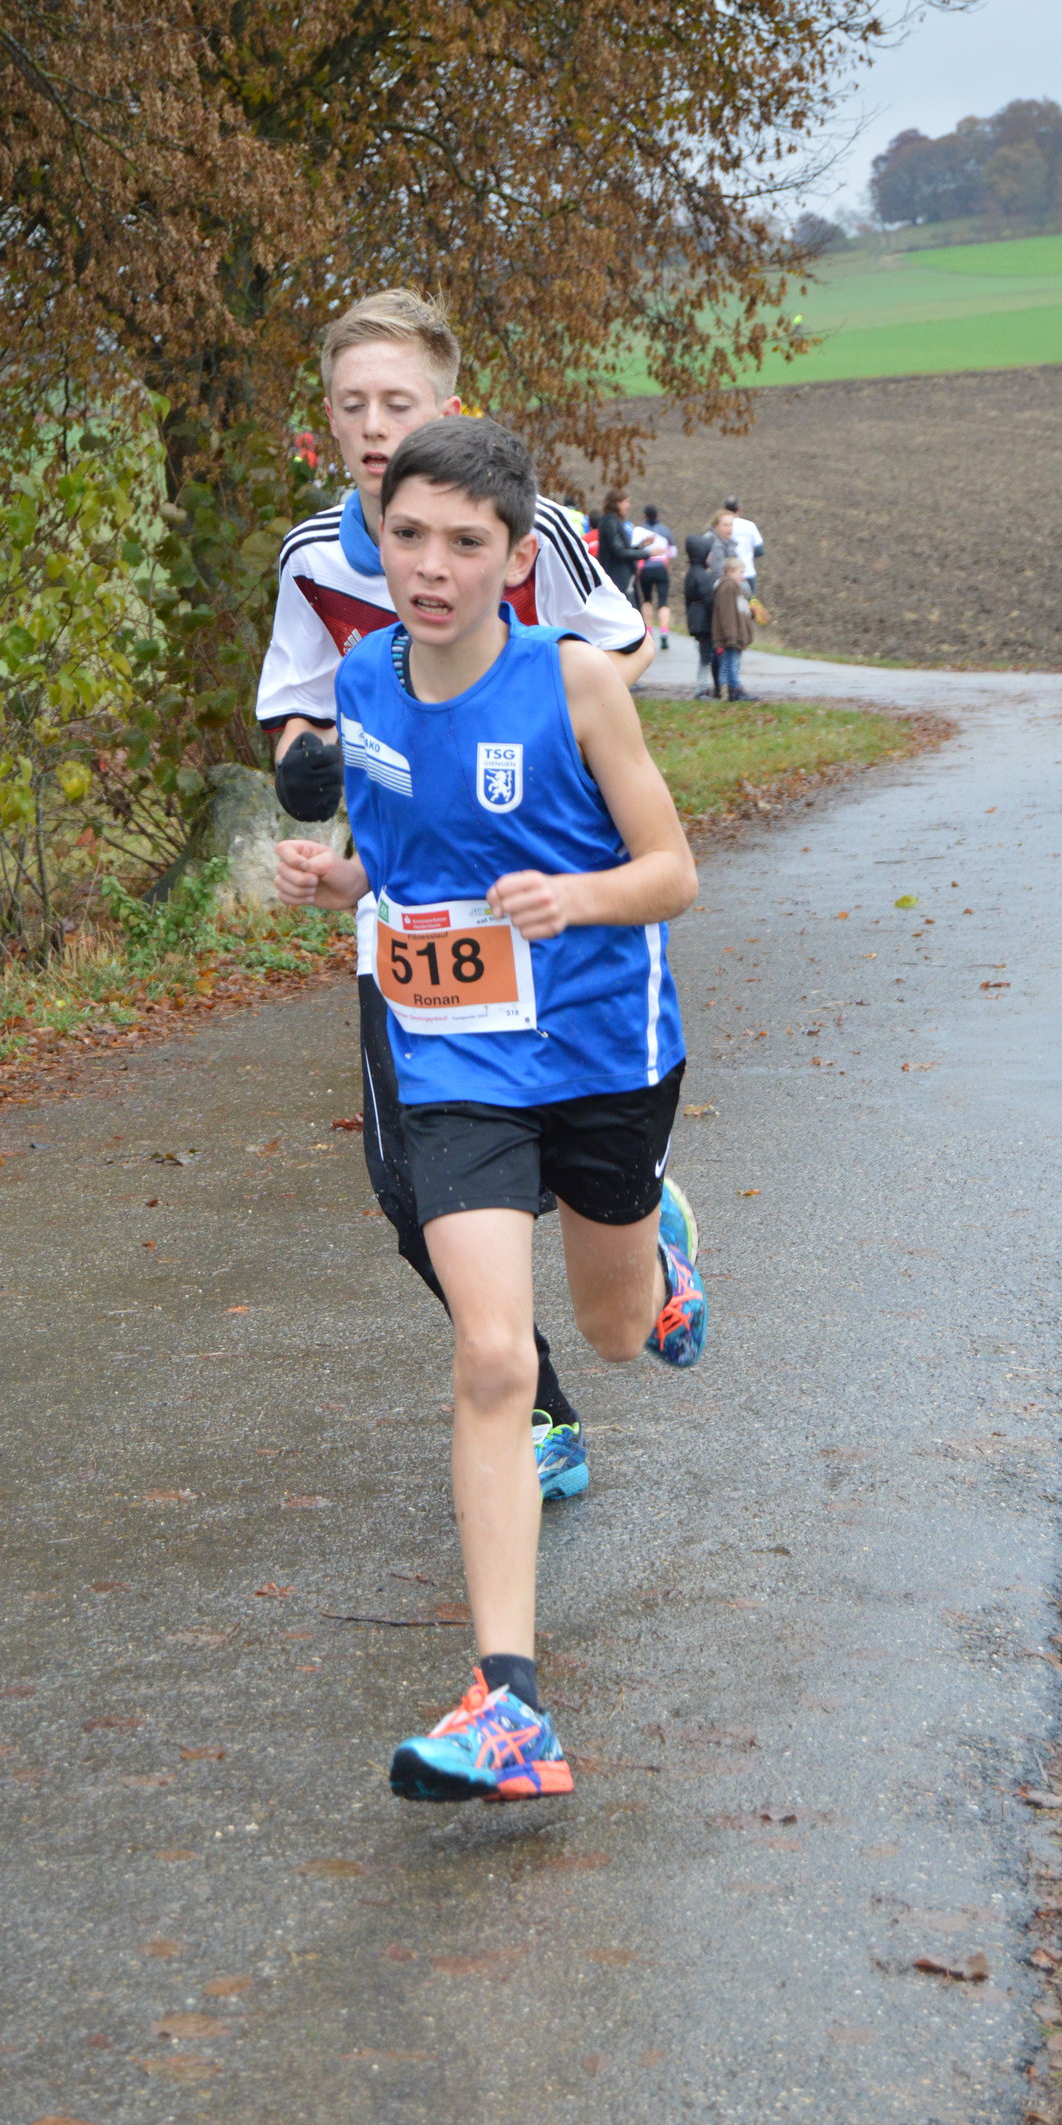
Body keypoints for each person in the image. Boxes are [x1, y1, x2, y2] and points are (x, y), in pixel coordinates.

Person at [275, 418, 705, 1801]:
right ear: (378, 540)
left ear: (516, 561)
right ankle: (508, 1702)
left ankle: (655, 1246)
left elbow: (673, 870)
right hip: (456, 1055)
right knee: (492, 1355)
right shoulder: (360, 682)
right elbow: (406, 854)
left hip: (601, 1050)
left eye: (466, 543)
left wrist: (574, 896)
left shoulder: (572, 681)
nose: (432, 566)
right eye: (408, 536)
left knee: (615, 1332)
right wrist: (344, 884)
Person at [256, 289, 654, 1507]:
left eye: (399, 402)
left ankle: (635, 1210)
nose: (375, 426)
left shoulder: (528, 528)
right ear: (327, 423)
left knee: (577, 1172)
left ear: (448, 407)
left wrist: (539, 733)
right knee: (411, 1196)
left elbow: (621, 643)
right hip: (409, 919)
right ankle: (533, 1404)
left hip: (545, 902)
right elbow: (295, 709)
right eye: (352, 405)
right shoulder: (316, 556)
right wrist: (304, 765)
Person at [683, 530, 722, 697]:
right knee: (706, 657)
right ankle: (702, 688)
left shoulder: (692, 573)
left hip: (696, 621)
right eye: (709, 552)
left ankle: (707, 687)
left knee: (706, 654)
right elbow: (709, 599)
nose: (711, 555)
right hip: (704, 622)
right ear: (702, 554)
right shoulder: (701, 576)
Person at [711, 555, 755, 701]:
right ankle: (734, 689)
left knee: (728, 662)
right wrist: (731, 635)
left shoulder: (732, 586)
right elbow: (727, 613)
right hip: (732, 635)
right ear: (730, 571)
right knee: (731, 662)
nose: (743, 576)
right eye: (740, 572)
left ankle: (726, 691)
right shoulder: (728, 586)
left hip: (734, 633)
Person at [594, 490, 652, 599]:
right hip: (617, 577)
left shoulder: (614, 521)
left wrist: (641, 546)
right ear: (616, 504)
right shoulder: (610, 522)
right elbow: (619, 551)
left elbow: (621, 549)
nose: (628, 506)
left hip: (621, 576)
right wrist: (648, 553)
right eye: (626, 502)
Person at [635, 503, 675, 650]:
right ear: (657, 515)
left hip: (645, 568)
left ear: (645, 516)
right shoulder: (665, 530)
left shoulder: (639, 530)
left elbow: (634, 548)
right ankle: (664, 632)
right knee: (663, 602)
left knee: (647, 600)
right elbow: (673, 552)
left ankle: (649, 631)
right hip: (661, 567)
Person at [721, 495, 764, 592]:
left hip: (730, 575)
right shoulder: (750, 525)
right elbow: (760, 550)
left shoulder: (722, 527)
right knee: (751, 600)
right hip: (748, 573)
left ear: (723, 509)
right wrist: (748, 555)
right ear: (739, 509)